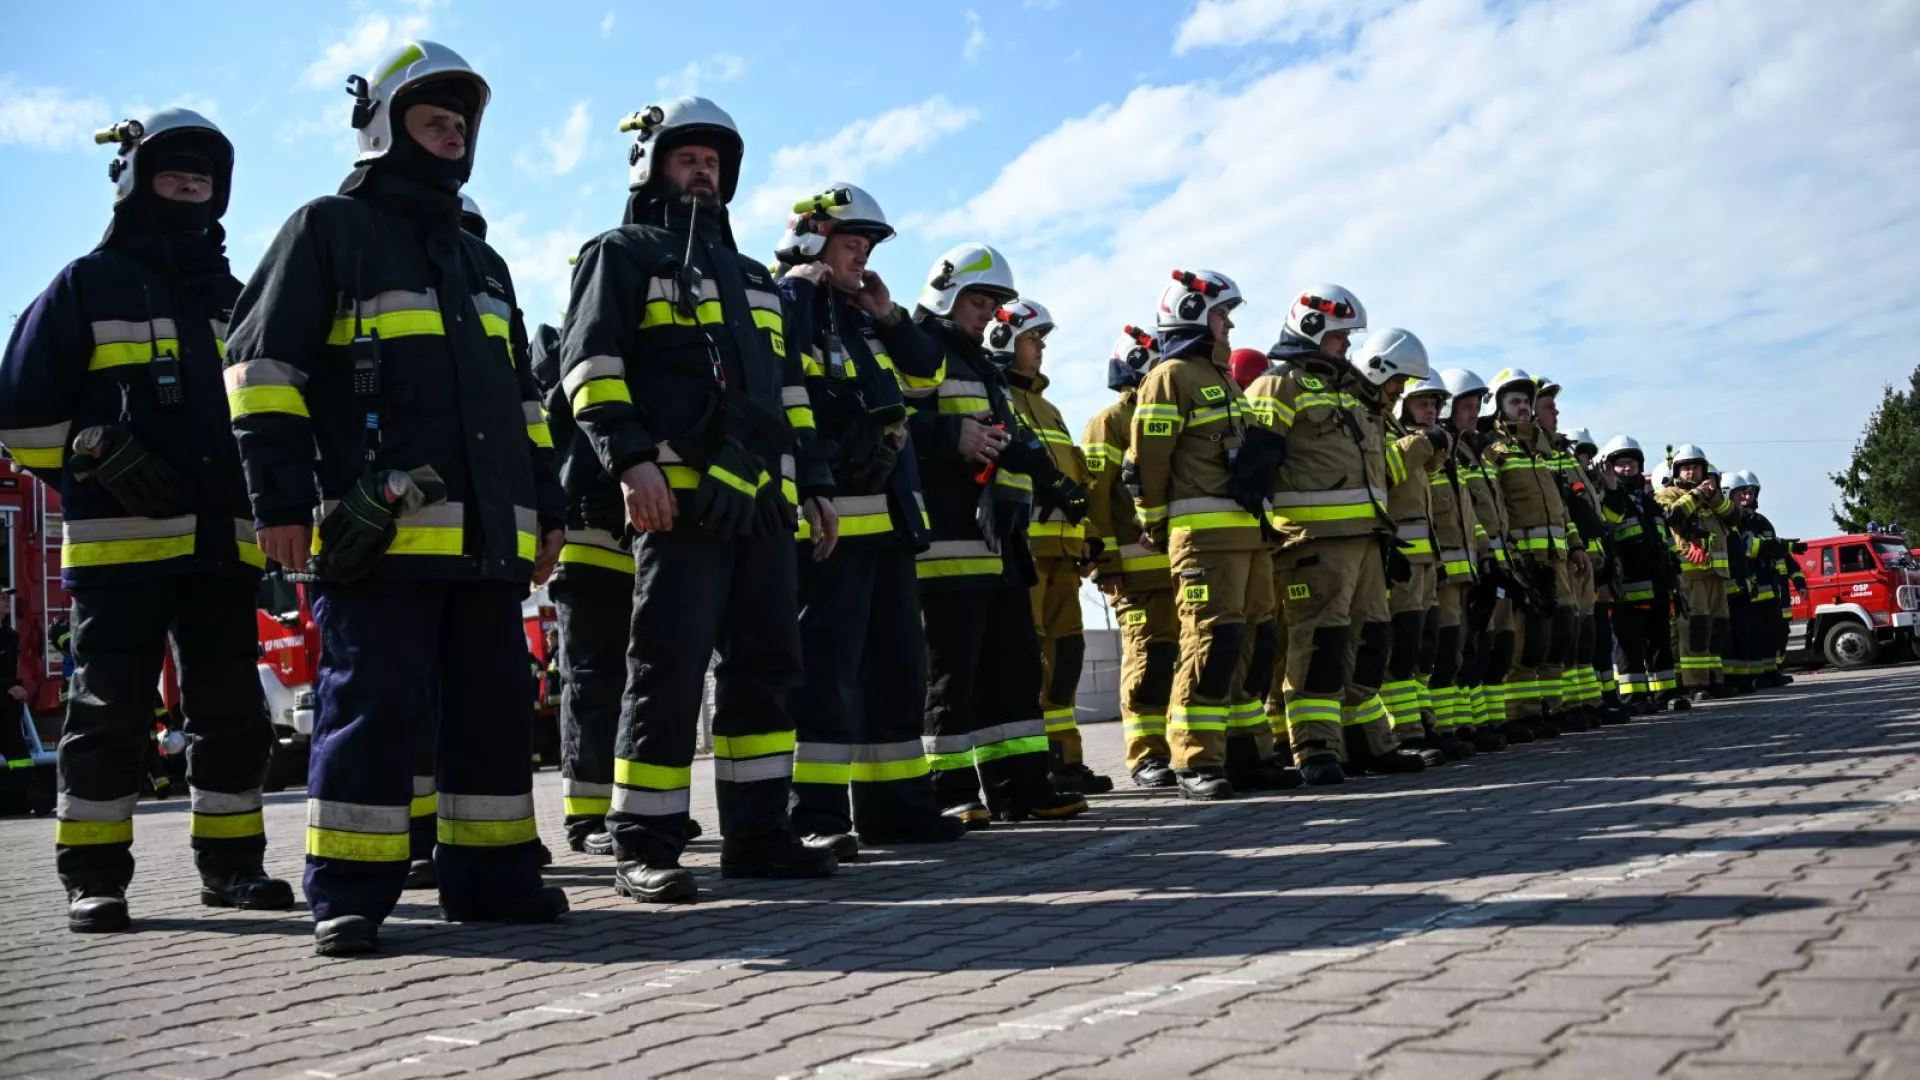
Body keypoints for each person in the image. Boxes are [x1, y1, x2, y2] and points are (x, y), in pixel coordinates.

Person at [227, 42, 569, 954]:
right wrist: (280, 505)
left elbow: (525, 406)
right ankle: (348, 892)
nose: (453, 138)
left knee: (494, 713)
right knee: (372, 712)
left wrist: (548, 512)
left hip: (490, 545)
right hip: (375, 540)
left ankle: (493, 879)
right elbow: (262, 374)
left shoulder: (483, 263)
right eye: (434, 120)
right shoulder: (328, 230)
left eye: (462, 125)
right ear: (383, 126)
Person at [0, 108, 294, 933]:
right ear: (134, 185)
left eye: (202, 183)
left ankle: (234, 869)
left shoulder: (235, 304)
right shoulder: (85, 285)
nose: (189, 193)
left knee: (233, 715)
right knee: (109, 710)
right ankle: (94, 879)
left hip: (222, 548)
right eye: (174, 179)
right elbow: (18, 417)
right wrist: (89, 455)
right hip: (118, 549)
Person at [562, 95, 841, 904]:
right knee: (666, 667)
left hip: (759, 504)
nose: (705, 171)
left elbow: (790, 396)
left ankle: (758, 835)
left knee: (767, 666)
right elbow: (590, 368)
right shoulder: (619, 253)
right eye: (689, 157)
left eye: (715, 162)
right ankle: (643, 841)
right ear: (650, 164)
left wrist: (815, 484)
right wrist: (630, 464)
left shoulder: (756, 278)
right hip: (672, 501)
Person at [772, 183, 964, 848]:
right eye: (852, 242)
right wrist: (796, 286)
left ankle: (897, 809)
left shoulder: (861, 320)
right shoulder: (782, 302)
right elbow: (773, 370)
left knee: (895, 671)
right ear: (810, 240)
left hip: (886, 528)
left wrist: (889, 317)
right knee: (825, 678)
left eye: (867, 245)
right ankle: (817, 817)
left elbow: (926, 379)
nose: (862, 255)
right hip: (825, 533)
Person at [909, 242, 1087, 825]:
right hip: (945, 543)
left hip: (999, 544)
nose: (988, 314)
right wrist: (948, 438)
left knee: (1011, 670)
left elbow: (1013, 438)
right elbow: (894, 424)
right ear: (946, 293)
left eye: (993, 303)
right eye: (978, 300)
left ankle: (1021, 788)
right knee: (950, 675)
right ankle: (950, 791)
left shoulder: (981, 366)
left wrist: (1048, 485)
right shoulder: (917, 351)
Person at [1245, 285, 1426, 785]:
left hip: (1366, 541)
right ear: (1312, 328)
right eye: (1341, 336)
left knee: (1371, 642)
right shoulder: (1276, 387)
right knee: (1320, 645)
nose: (1347, 346)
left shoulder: (1346, 395)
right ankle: (1316, 746)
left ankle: (1368, 742)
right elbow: (1255, 467)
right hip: (1313, 544)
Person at [993, 299, 1110, 796]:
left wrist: (1088, 537)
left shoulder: (1049, 407)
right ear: (1002, 341)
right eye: (1032, 340)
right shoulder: (997, 395)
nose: (1040, 349)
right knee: (1028, 662)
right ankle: (1033, 766)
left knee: (1066, 660)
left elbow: (1075, 478)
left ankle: (1065, 760)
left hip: (1063, 555)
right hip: (1024, 553)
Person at [1084, 325, 1178, 788]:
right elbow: (1097, 497)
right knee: (1149, 661)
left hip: (1178, 567)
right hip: (1135, 575)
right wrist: (1106, 565)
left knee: (1182, 660)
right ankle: (1145, 757)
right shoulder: (1111, 423)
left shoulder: (1169, 411)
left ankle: (1178, 748)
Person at [1366, 335, 1466, 763]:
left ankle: (1423, 722)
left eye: (1435, 405)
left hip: (1426, 562)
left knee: (1425, 645)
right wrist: (1426, 443)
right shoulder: (1387, 432)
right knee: (1401, 647)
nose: (1431, 412)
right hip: (1399, 559)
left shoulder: (1425, 451)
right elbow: (1381, 472)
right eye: (1423, 402)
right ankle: (1404, 730)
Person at [1481, 369, 1586, 739]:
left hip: (1557, 558)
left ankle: (1550, 707)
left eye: (1526, 402)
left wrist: (1574, 545)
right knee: (1526, 640)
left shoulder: (1541, 449)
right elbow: (1496, 509)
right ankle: (1522, 713)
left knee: (1559, 635)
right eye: (1515, 402)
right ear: (1498, 408)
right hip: (1526, 562)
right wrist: (1511, 557)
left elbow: (1560, 508)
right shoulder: (1493, 451)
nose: (1523, 409)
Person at [1532, 383, 1611, 729]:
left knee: (1583, 633)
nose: (1557, 413)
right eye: (1550, 407)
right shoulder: (1535, 452)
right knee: (1562, 634)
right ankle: (1557, 706)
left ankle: (1584, 702)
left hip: (1578, 556)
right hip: (1553, 558)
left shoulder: (1560, 450)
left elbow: (1574, 508)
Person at [1597, 435, 1681, 713]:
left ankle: (1665, 693)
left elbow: (1664, 540)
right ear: (1609, 468)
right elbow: (1610, 521)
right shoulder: (1608, 497)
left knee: (1660, 643)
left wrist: (1673, 571)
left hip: (1657, 585)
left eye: (1632, 462)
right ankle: (1634, 697)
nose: (1628, 468)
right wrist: (1610, 490)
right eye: (1621, 464)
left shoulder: (1648, 501)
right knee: (1630, 645)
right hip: (1628, 588)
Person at [1655, 444, 1743, 703]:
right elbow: (1672, 517)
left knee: (1718, 628)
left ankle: (1715, 679)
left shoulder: (1712, 497)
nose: (1691, 472)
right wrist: (1695, 495)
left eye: (1696, 467)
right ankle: (1695, 683)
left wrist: (1713, 496)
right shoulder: (1668, 493)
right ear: (1677, 471)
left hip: (1716, 573)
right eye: (1686, 468)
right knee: (1695, 629)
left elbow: (1734, 517)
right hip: (1689, 574)